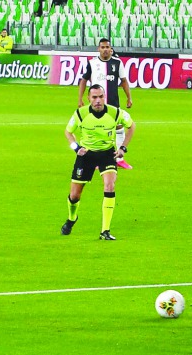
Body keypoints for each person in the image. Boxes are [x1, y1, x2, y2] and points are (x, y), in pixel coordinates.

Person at [62, 84, 135, 240]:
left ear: (104, 97)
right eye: (94, 97)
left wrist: (123, 148)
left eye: (101, 97)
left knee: (110, 185)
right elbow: (68, 132)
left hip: (107, 153)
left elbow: (131, 126)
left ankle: (105, 231)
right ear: (88, 98)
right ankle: (72, 218)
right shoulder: (80, 114)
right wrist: (76, 147)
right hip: (86, 155)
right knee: (74, 195)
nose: (98, 100)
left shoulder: (115, 112)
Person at [77, 38, 133, 168]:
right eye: (102, 47)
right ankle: (96, 160)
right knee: (97, 130)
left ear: (111, 49)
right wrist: (80, 98)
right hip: (97, 104)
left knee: (119, 127)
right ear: (99, 49)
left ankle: (119, 159)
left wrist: (129, 97)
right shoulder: (92, 63)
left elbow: (124, 81)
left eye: (107, 47)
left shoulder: (117, 63)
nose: (105, 49)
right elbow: (84, 80)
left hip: (113, 102)